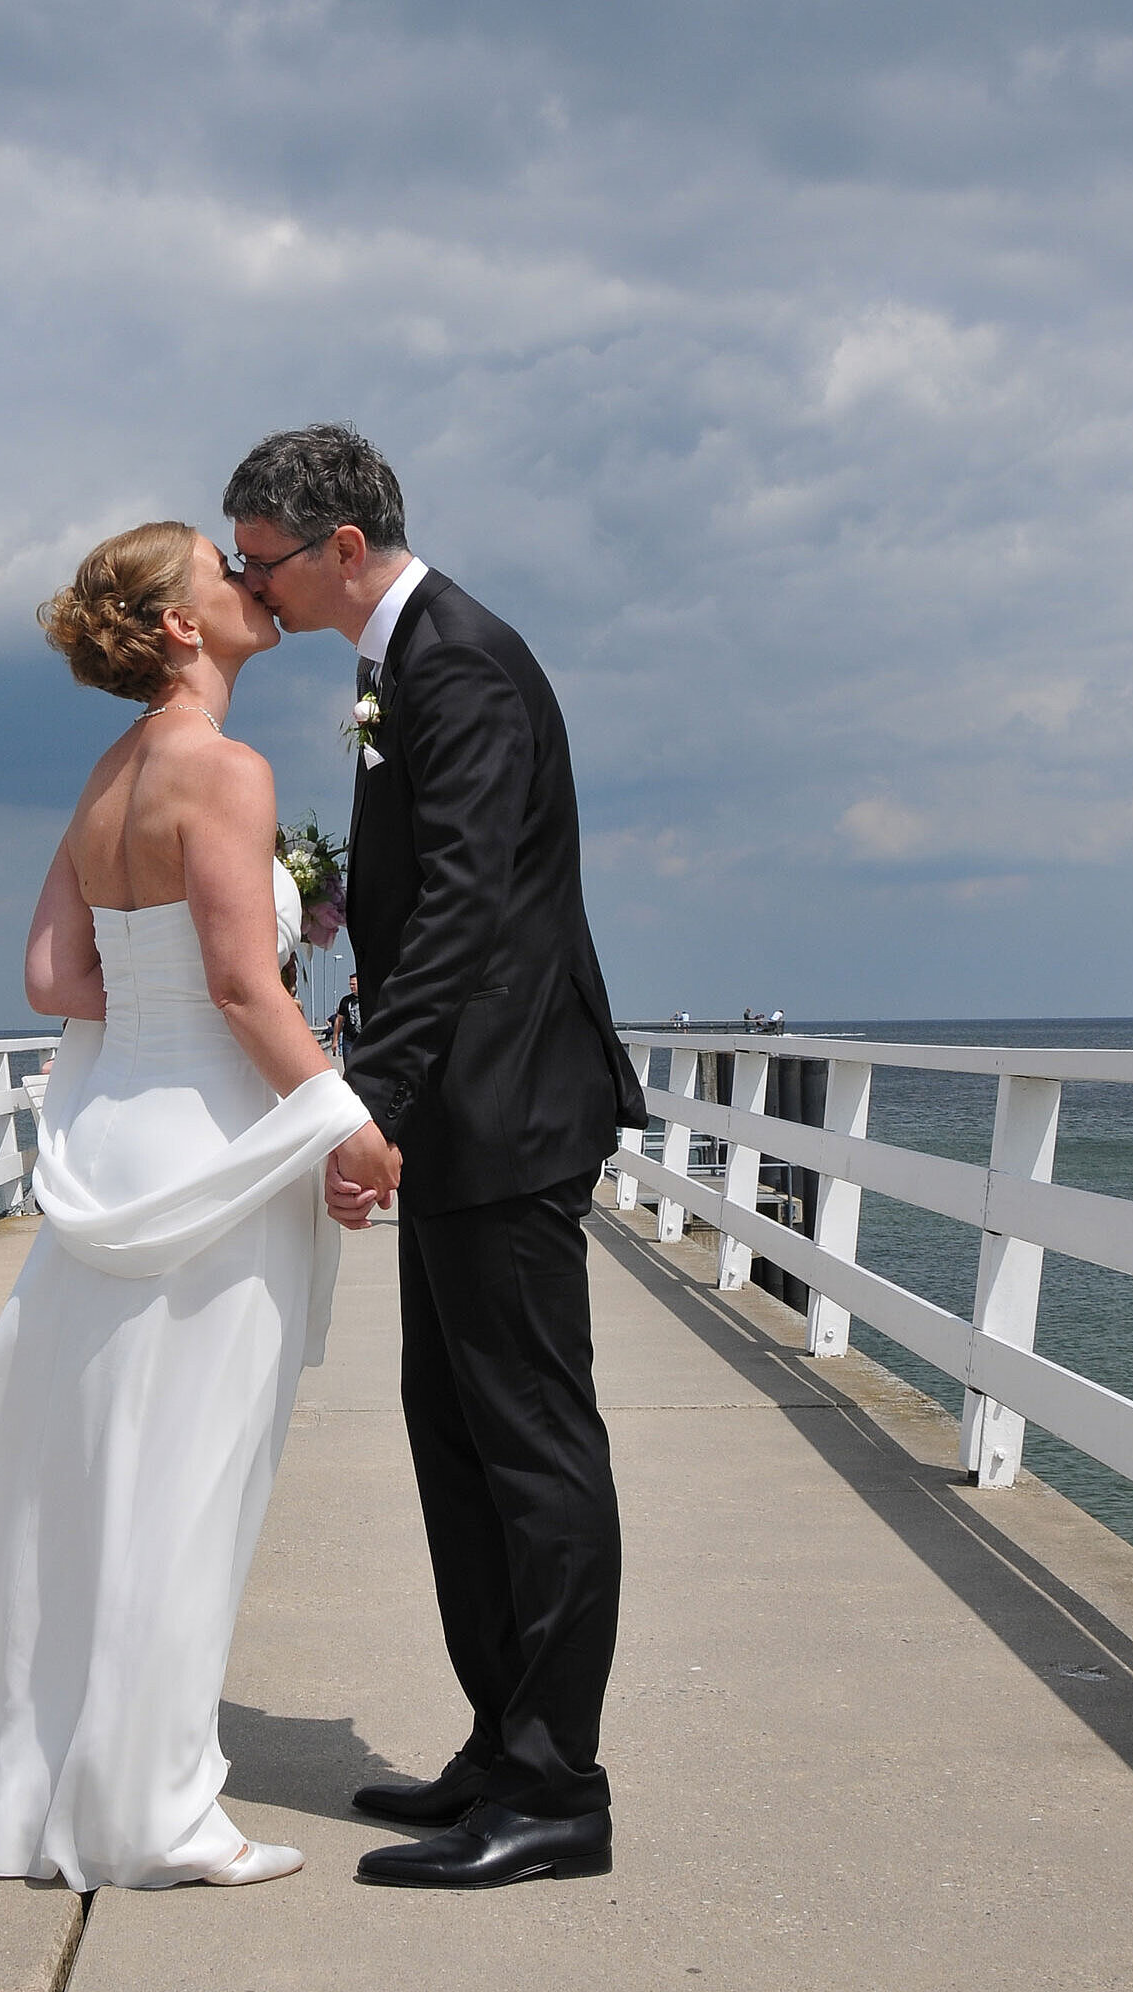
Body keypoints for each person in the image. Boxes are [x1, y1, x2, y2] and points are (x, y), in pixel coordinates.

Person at [0, 521, 399, 1892]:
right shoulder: (225, 772)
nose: (252, 583)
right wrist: (348, 1128)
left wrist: (169, 1008)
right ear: (180, 627)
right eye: (222, 573)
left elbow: (55, 979)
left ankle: (61, 1761)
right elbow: (248, 987)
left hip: (118, 1138)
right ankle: (146, 1812)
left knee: (87, 1474)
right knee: (184, 1483)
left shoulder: (107, 778)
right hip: (209, 1150)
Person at [225, 425, 648, 1890]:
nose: (247, 586)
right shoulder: (396, 662)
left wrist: (369, 1103)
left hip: (506, 1109)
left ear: (342, 546)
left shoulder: (453, 658)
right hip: (471, 1107)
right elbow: (428, 901)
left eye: (260, 560)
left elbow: (468, 904)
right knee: (453, 1431)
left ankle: (557, 1791)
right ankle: (501, 1743)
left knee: (528, 1446)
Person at [330, 973, 362, 1063]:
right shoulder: (345, 1000)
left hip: (364, 1038)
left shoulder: (367, 997)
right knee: (349, 1066)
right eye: (350, 984)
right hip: (349, 1040)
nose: (351, 987)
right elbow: (339, 1021)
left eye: (354, 984)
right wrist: (335, 1040)